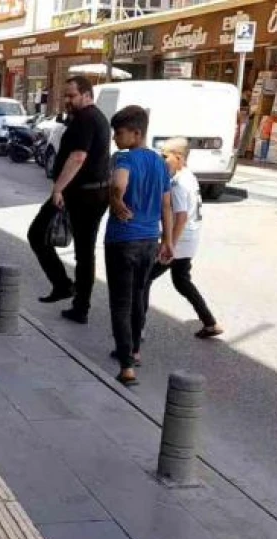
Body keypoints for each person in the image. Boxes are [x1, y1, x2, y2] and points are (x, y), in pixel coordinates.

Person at [27, 76, 111, 323]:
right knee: (83, 252)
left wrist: (58, 190)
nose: (67, 100)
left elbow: (78, 157)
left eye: (71, 96)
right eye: (65, 96)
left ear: (87, 95)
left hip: (85, 194)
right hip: (89, 192)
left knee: (40, 235)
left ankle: (73, 297)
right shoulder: (91, 117)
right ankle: (69, 292)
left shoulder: (86, 118)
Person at [105, 105, 174, 387]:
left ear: (136, 133)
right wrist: (168, 241)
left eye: (119, 133)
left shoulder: (126, 159)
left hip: (123, 240)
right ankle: (134, 349)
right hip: (149, 241)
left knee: (120, 304)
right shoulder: (160, 163)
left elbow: (118, 185)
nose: (115, 138)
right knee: (138, 297)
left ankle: (126, 366)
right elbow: (167, 204)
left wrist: (116, 198)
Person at [144, 138, 223, 339]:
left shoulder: (179, 183)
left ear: (178, 157)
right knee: (181, 281)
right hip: (190, 239)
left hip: (179, 240)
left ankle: (138, 328)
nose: (162, 160)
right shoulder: (189, 177)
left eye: (165, 156)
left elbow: (180, 217)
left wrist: (168, 244)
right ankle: (210, 322)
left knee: (143, 280)